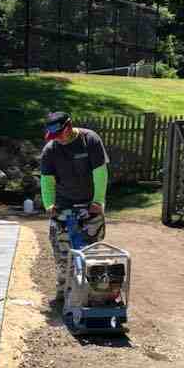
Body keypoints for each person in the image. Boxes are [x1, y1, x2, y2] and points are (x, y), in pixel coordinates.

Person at [39, 111, 109, 302]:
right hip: (63, 207)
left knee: (92, 254)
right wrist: (49, 203)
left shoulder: (90, 140)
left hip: (89, 206)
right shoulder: (50, 150)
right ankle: (63, 295)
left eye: (58, 135)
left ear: (68, 127)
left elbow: (100, 172)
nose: (56, 140)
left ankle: (95, 296)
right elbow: (46, 180)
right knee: (63, 257)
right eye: (52, 136)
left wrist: (98, 201)